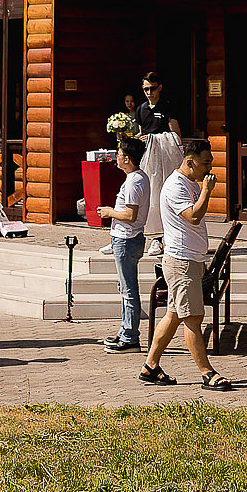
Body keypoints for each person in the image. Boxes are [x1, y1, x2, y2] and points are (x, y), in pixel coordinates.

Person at [139, 137, 232, 391]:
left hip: (190, 259)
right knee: (193, 317)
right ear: (189, 162)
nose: (209, 167)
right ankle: (207, 373)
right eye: (205, 162)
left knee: (173, 315)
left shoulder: (189, 181)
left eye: (211, 161)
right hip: (181, 262)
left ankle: (150, 366)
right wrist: (207, 191)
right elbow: (193, 216)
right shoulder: (175, 186)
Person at [98, 140, 150, 351]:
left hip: (127, 239)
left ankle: (130, 337)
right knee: (125, 287)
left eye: (118, 154)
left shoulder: (134, 181)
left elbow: (130, 214)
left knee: (128, 289)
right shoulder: (137, 178)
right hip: (127, 238)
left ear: (127, 159)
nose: (116, 157)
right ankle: (124, 331)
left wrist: (109, 212)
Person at [135, 71, 183, 258]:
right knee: (149, 196)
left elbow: (175, 135)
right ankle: (153, 237)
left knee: (165, 195)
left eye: (152, 89)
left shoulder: (168, 106)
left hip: (166, 159)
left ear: (160, 88)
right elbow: (141, 133)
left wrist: (155, 139)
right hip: (147, 159)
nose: (149, 92)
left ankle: (166, 238)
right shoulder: (141, 109)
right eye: (146, 89)